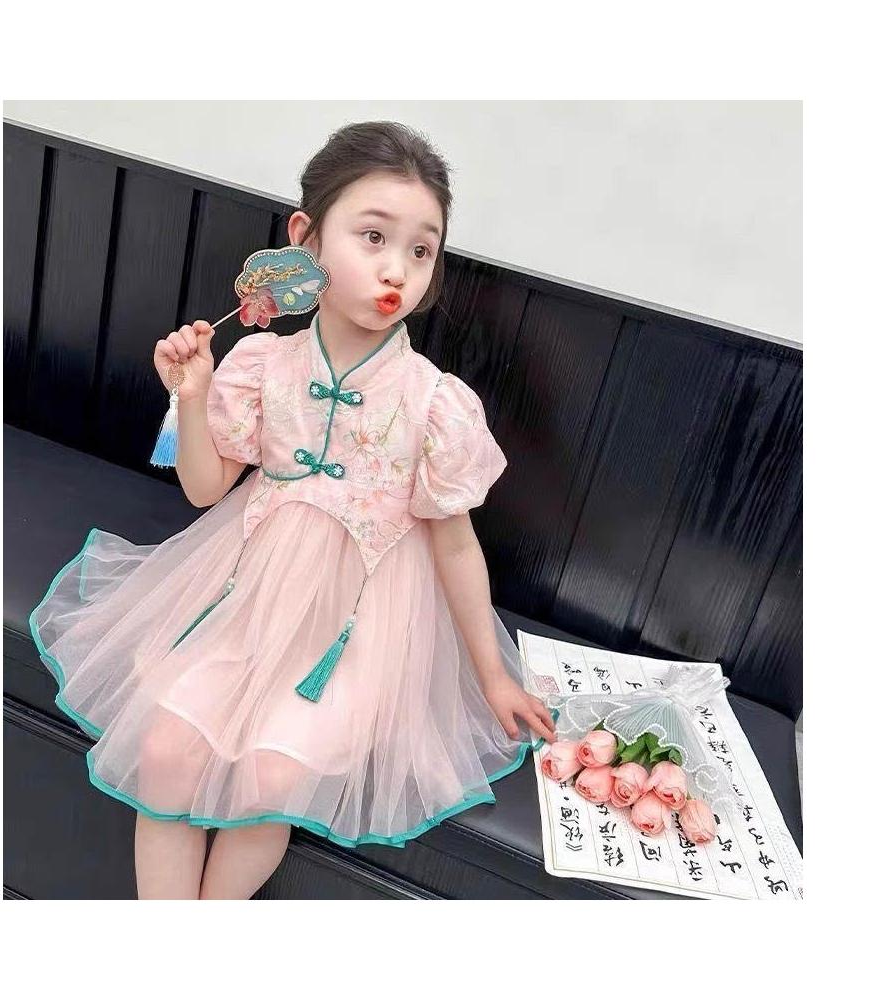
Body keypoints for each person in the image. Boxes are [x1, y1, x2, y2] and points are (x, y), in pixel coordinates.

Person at [29, 120, 557, 900]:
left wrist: (491, 676)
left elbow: (455, 545)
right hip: (246, 592)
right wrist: (194, 394)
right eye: (373, 237)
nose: (397, 269)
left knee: (274, 773)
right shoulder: (262, 363)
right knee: (167, 752)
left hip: (362, 622)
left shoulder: (436, 404)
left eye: (421, 250)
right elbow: (205, 489)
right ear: (305, 238)